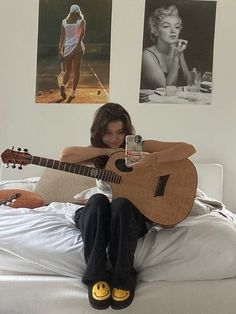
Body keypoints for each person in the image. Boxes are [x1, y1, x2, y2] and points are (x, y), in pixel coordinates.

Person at [60, 102, 196, 310]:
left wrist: (153, 159)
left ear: (128, 131)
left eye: (120, 132)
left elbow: (188, 149)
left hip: (129, 216)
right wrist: (105, 151)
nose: (114, 138)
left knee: (122, 204)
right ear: (98, 133)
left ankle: (123, 278)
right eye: (107, 133)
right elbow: (65, 156)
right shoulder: (97, 153)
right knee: (97, 200)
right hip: (100, 216)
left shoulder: (139, 148)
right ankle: (96, 278)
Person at [141, 4, 190, 89]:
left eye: (177, 27)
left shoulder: (177, 49)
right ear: (155, 30)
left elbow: (189, 82)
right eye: (166, 26)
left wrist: (178, 54)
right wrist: (176, 57)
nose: (173, 31)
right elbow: (166, 90)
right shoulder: (147, 55)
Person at [58, 4, 86, 103]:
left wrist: (60, 50)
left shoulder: (64, 22)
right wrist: (78, 44)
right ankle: (73, 92)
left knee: (68, 71)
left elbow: (62, 38)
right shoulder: (81, 21)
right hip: (78, 48)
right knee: (76, 71)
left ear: (70, 12)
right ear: (78, 12)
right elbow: (82, 33)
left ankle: (63, 86)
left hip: (67, 48)